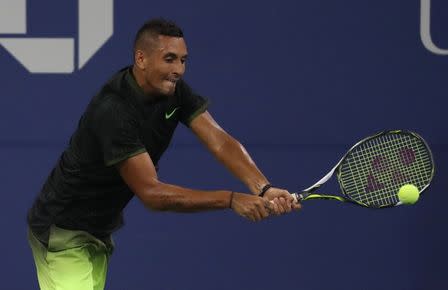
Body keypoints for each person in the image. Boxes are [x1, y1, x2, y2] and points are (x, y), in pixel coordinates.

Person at [27, 18, 301, 290]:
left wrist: (263, 187)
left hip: (98, 232)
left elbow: (219, 141)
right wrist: (230, 199)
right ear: (141, 58)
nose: (178, 69)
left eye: (183, 60)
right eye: (169, 59)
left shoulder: (175, 91)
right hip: (63, 233)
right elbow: (152, 194)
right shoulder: (114, 111)